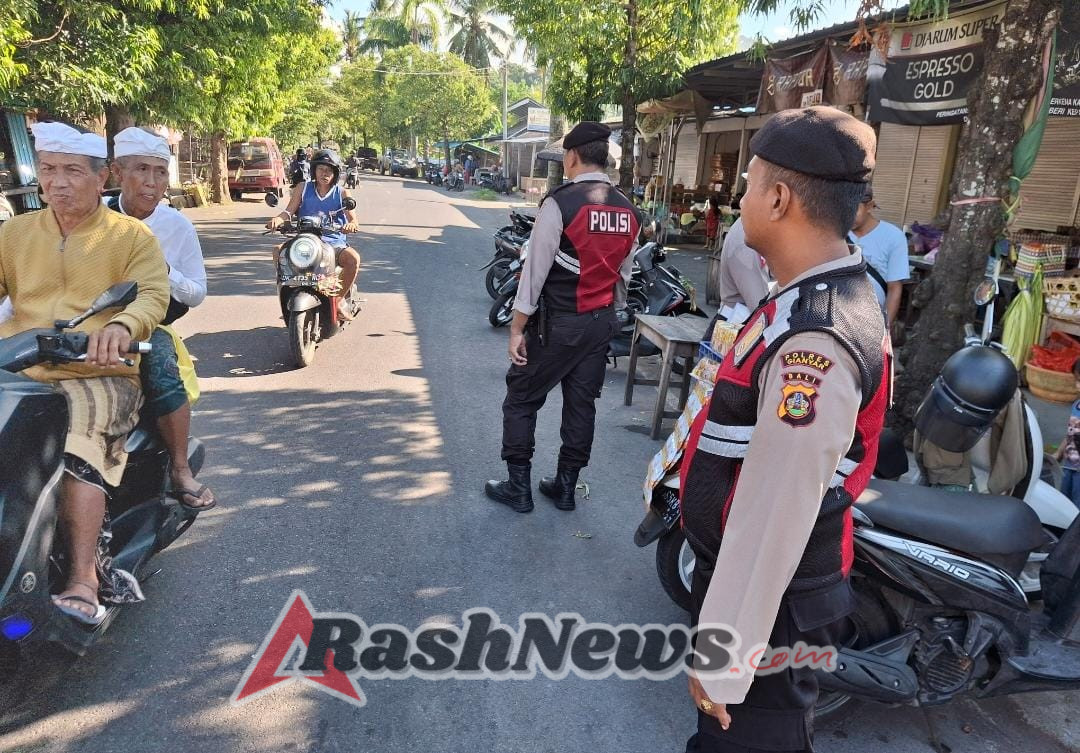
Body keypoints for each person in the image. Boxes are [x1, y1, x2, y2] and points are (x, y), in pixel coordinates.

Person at [679, 107, 890, 753]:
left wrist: (724, 657)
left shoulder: (816, 336)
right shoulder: (800, 299)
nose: (737, 198)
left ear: (778, 197)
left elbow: (775, 514)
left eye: (746, 185)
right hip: (764, 596)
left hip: (778, 609)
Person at [0, 122, 170, 625]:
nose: (58, 182)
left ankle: (82, 577)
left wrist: (121, 326)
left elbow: (153, 294)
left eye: (72, 171)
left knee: (77, 447)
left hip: (99, 371)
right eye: (49, 170)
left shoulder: (130, 236)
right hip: (19, 366)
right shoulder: (14, 233)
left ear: (102, 179)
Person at [484, 121, 640, 513]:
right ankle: (566, 487)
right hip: (600, 322)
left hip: (558, 324)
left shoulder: (561, 203)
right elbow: (624, 274)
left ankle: (518, 487)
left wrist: (517, 327)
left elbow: (533, 274)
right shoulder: (628, 209)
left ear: (572, 156)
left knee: (521, 398)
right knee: (581, 404)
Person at [109, 126, 215, 511]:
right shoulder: (94, 217)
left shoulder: (177, 226)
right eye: (141, 170)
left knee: (161, 371)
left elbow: (198, 292)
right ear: (117, 173)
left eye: (160, 172)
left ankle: (180, 468)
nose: (151, 183)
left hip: (150, 325)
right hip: (86, 322)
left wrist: (163, 272)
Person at [265, 150, 361, 320]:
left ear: (335, 173)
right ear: (314, 170)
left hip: (333, 243)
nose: (325, 173)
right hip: (305, 241)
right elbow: (288, 211)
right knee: (278, 251)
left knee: (353, 259)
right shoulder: (303, 188)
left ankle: (338, 300)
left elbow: (353, 219)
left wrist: (351, 225)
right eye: (321, 169)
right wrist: (277, 220)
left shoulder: (342, 193)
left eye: (329, 170)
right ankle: (288, 291)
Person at [849, 186, 909, 326]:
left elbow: (894, 288)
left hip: (870, 322)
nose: (847, 217)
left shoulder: (894, 237)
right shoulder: (836, 233)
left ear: (869, 206)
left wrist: (884, 329)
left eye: (853, 210)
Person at [715, 218, 771, 325]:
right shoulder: (745, 241)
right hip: (734, 326)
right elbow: (761, 311)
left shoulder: (752, 229)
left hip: (737, 323)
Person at [1055, 358, 1080, 509]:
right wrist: (1058, 453)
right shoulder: (1076, 405)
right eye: (1076, 380)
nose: (1077, 386)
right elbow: (1070, 433)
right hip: (1069, 465)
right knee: (1064, 501)